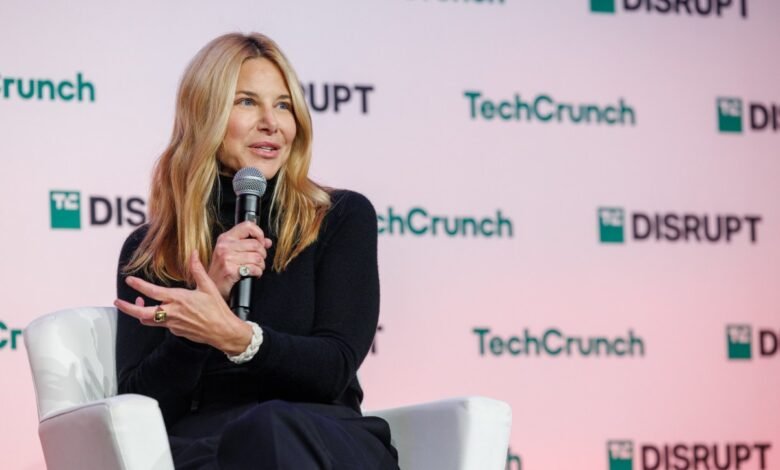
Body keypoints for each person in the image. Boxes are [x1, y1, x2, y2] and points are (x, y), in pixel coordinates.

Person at [113, 32, 398, 469]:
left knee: (269, 427)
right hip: (209, 447)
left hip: (322, 438)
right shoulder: (153, 251)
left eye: (283, 105)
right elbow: (138, 408)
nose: (272, 123)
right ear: (205, 113)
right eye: (247, 102)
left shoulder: (340, 218)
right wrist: (205, 308)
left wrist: (242, 340)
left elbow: (335, 366)